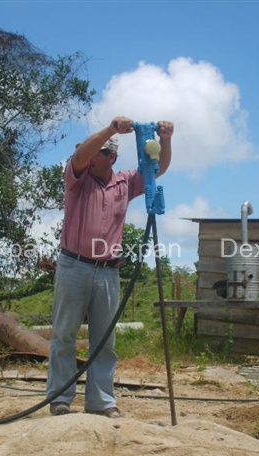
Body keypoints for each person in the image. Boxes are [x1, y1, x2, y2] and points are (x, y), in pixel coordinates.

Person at [46, 116, 174, 418]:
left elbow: (160, 169)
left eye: (98, 152)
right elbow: (78, 156)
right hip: (73, 265)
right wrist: (111, 130)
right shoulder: (76, 177)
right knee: (64, 334)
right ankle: (61, 399)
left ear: (111, 157)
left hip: (108, 271)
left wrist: (165, 140)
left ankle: (101, 402)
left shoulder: (125, 182)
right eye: (89, 152)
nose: (89, 158)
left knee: (105, 339)